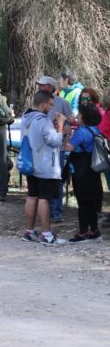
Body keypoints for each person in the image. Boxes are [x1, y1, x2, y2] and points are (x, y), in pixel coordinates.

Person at [21, 91, 66, 245]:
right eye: (51, 105)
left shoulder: (26, 118)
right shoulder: (42, 120)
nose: (51, 108)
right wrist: (59, 127)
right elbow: (55, 141)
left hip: (31, 164)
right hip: (45, 166)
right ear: (44, 103)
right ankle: (46, 234)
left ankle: (29, 231)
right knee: (44, 199)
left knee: (32, 196)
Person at [63, 103, 103, 243]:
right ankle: (94, 230)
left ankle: (82, 232)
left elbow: (68, 147)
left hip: (81, 170)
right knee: (92, 201)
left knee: (83, 202)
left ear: (85, 117)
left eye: (79, 115)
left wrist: (66, 134)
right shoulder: (95, 130)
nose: (77, 116)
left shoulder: (82, 132)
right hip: (93, 169)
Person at [36, 76, 73, 224]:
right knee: (41, 177)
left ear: (51, 87)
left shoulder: (63, 102)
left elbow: (70, 122)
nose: (40, 87)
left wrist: (64, 136)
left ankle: (57, 211)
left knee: (57, 178)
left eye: (43, 86)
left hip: (57, 147)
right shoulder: (37, 101)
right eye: (39, 85)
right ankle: (44, 209)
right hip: (40, 147)